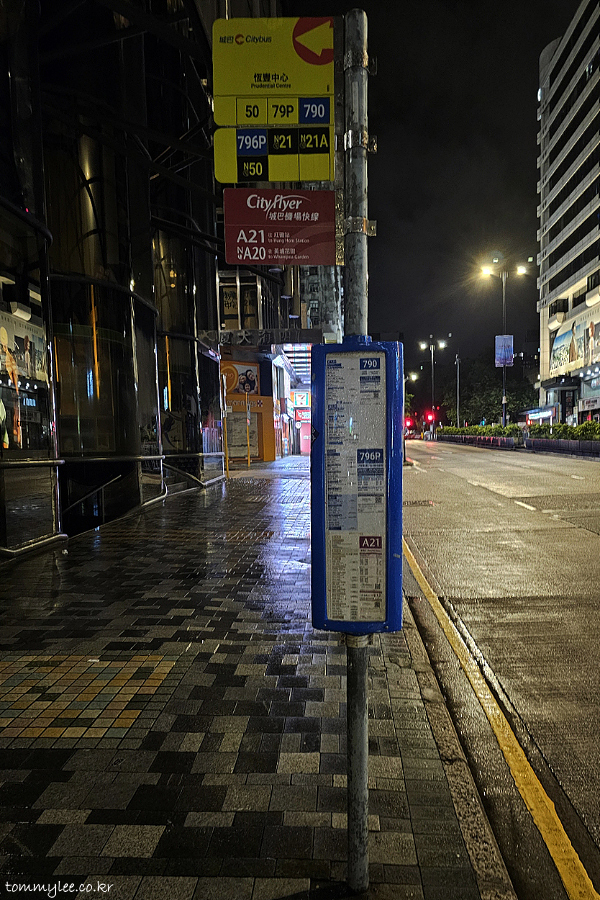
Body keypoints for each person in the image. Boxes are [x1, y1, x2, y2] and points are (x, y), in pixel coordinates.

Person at [0, 326, 20, 445]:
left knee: (8, 421)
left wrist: (16, 395)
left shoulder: (10, 358)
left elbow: (15, 380)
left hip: (8, 393)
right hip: (5, 392)